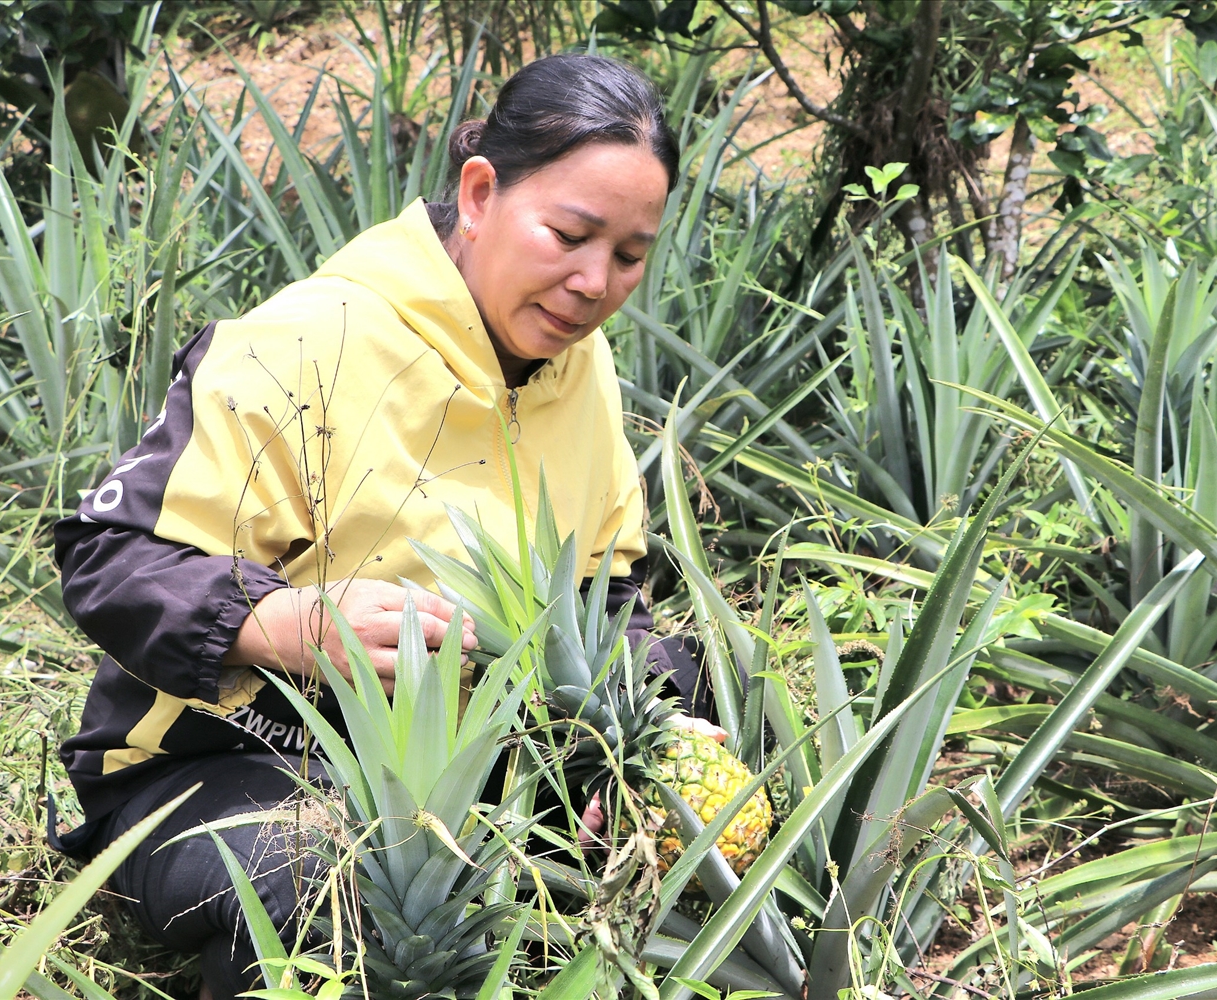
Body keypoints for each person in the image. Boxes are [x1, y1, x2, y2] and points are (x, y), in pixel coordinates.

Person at [51, 53, 718, 1000]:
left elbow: (610, 597)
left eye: (628, 255)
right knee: (328, 885)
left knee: (703, 775)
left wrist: (639, 731)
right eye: (569, 234)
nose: (592, 283)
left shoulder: (584, 370)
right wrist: (286, 622)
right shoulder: (306, 344)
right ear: (480, 193)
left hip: (469, 772)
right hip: (234, 765)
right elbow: (110, 557)